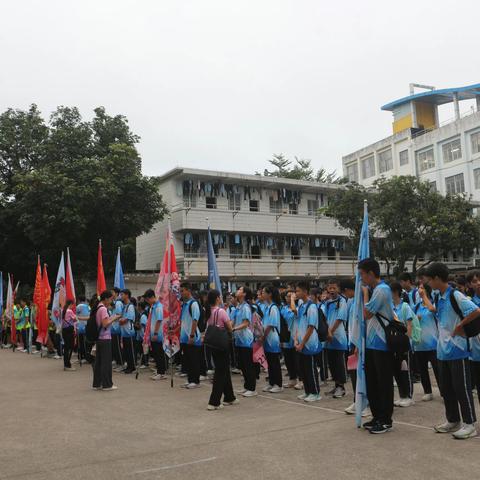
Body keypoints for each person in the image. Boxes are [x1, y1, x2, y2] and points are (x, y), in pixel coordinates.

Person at [424, 262, 479, 439]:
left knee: (461, 388)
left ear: (438, 278)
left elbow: (476, 310)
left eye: (429, 280)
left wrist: (460, 326)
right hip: (442, 350)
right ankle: (453, 419)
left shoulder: (455, 295)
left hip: (458, 349)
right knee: (446, 388)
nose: (428, 283)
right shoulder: (438, 296)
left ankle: (469, 424)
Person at [359, 257, 395, 434]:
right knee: (372, 382)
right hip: (372, 344)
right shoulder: (375, 290)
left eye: (363, 275)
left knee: (383, 383)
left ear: (371, 273)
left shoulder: (382, 290)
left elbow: (367, 313)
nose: (362, 279)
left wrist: (365, 293)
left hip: (382, 342)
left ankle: (386, 419)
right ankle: (377, 416)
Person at [205, 289, 237, 410]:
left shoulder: (208, 311)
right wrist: (231, 327)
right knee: (220, 372)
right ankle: (214, 401)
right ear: (218, 298)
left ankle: (229, 397)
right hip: (223, 344)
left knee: (223, 370)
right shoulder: (221, 311)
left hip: (213, 343)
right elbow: (229, 327)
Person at [294, 281, 321, 402]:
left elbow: (311, 327)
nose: (296, 293)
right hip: (300, 342)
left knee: (310, 369)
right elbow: (298, 323)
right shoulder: (301, 305)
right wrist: (296, 339)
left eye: (298, 291)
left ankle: (315, 392)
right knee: (303, 369)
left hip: (309, 343)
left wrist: (303, 343)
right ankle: (307, 391)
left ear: (305, 292)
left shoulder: (312, 307)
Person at [413, 283, 440, 402]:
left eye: (422, 288)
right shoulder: (417, 306)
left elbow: (433, 310)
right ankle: (427, 391)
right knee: (423, 370)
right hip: (419, 344)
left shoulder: (433, 304)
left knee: (438, 370)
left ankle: (444, 391)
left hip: (433, 344)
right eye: (419, 288)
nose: (419, 290)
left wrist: (424, 296)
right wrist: (415, 319)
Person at [390, 282, 415, 408]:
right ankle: (402, 395)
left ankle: (409, 396)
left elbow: (409, 324)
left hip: (404, 344)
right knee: (397, 371)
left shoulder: (405, 307)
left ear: (396, 292)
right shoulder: (390, 307)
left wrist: (406, 339)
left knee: (406, 371)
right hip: (394, 345)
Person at [323, 279, 348, 398]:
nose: (332, 290)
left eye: (334, 288)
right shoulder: (327, 303)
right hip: (328, 338)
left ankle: (341, 387)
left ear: (338, 289)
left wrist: (330, 332)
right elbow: (324, 318)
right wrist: (326, 333)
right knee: (332, 363)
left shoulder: (342, 301)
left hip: (338, 337)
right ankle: (336, 385)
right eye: (330, 288)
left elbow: (340, 318)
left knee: (339, 363)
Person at [92, 290, 121, 391]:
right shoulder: (103, 309)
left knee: (99, 362)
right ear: (106, 299)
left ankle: (97, 383)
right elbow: (105, 324)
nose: (111, 301)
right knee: (106, 362)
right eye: (111, 299)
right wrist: (114, 318)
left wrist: (111, 318)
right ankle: (107, 384)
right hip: (105, 338)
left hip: (100, 338)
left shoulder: (98, 307)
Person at [232, 287, 257, 397]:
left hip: (246, 340)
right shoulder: (239, 306)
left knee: (248, 365)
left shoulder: (246, 307)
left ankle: (252, 388)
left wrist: (234, 329)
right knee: (242, 365)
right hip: (239, 340)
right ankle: (246, 386)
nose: (238, 290)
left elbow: (246, 323)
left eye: (240, 289)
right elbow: (233, 321)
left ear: (244, 294)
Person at [261, 285, 283, 393]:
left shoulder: (274, 308)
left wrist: (263, 336)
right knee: (269, 362)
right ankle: (271, 382)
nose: (262, 294)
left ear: (269, 294)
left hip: (272, 338)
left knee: (275, 362)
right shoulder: (267, 307)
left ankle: (278, 384)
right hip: (266, 337)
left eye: (264, 292)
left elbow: (270, 325)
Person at [180, 282, 202, 389]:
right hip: (184, 338)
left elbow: (195, 320)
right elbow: (183, 321)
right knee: (188, 360)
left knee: (194, 360)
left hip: (192, 337)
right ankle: (190, 379)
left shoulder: (194, 304)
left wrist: (192, 335)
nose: (181, 293)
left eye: (182, 290)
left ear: (188, 290)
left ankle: (195, 381)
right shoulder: (184, 304)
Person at [144, 289, 167, 381]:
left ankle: (162, 373)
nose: (148, 302)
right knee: (156, 354)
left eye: (148, 300)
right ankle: (159, 371)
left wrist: (156, 333)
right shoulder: (153, 306)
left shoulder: (158, 307)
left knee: (160, 354)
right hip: (153, 334)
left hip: (158, 335)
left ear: (152, 297)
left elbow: (159, 320)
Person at [466, 271, 480, 404]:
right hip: (476, 351)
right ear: (469, 285)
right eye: (475, 281)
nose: (478, 283)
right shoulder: (468, 303)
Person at [119, 289, 136, 374]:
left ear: (127, 295)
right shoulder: (124, 306)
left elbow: (129, 318)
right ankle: (128, 366)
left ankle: (132, 367)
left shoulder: (130, 306)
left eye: (122, 294)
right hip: (124, 332)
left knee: (130, 351)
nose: (121, 296)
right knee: (126, 351)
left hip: (129, 332)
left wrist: (121, 321)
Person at [62, 300, 76, 371]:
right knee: (70, 347)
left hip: (64, 330)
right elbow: (75, 319)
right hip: (69, 330)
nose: (73, 306)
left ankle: (67, 363)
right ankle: (67, 365)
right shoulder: (69, 311)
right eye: (73, 305)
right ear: (70, 304)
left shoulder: (63, 310)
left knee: (66, 347)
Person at [111, 288, 124, 372]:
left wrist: (111, 319)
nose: (111, 294)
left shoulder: (118, 303)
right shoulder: (114, 303)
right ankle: (118, 362)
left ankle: (121, 363)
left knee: (118, 348)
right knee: (115, 347)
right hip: (113, 328)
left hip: (117, 328)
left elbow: (119, 315)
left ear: (116, 293)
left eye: (112, 292)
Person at [76, 296, 91, 364]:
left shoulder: (79, 306)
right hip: (87, 326)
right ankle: (86, 357)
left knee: (81, 343)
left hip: (81, 326)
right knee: (86, 343)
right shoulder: (88, 306)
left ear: (79, 300)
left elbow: (75, 314)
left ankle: (83, 357)